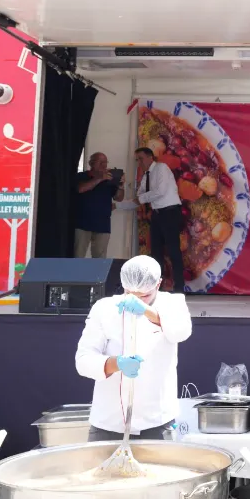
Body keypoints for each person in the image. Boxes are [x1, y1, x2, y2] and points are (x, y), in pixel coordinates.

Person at [75, 254, 192, 441]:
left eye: (145, 295)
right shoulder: (104, 308)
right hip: (108, 422)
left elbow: (180, 332)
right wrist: (116, 364)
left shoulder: (173, 303)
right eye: (131, 294)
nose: (138, 299)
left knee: (159, 471)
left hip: (157, 421)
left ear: (158, 284)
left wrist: (148, 312)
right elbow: (83, 360)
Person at [135, 146, 185, 291]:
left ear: (151, 157)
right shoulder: (146, 175)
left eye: (141, 159)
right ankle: (156, 287)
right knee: (155, 251)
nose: (139, 162)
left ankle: (179, 287)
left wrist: (141, 198)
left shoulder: (161, 168)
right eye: (137, 160)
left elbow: (160, 192)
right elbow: (139, 196)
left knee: (173, 250)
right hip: (157, 214)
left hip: (170, 212)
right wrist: (119, 206)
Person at [74, 152, 124, 259]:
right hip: (83, 223)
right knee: (78, 256)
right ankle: (75, 275)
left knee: (100, 259)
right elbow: (81, 189)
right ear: (91, 163)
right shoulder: (82, 176)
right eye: (100, 162)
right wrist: (100, 178)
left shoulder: (110, 180)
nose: (104, 165)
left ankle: (98, 277)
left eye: (105, 162)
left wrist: (120, 186)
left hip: (103, 224)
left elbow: (118, 198)